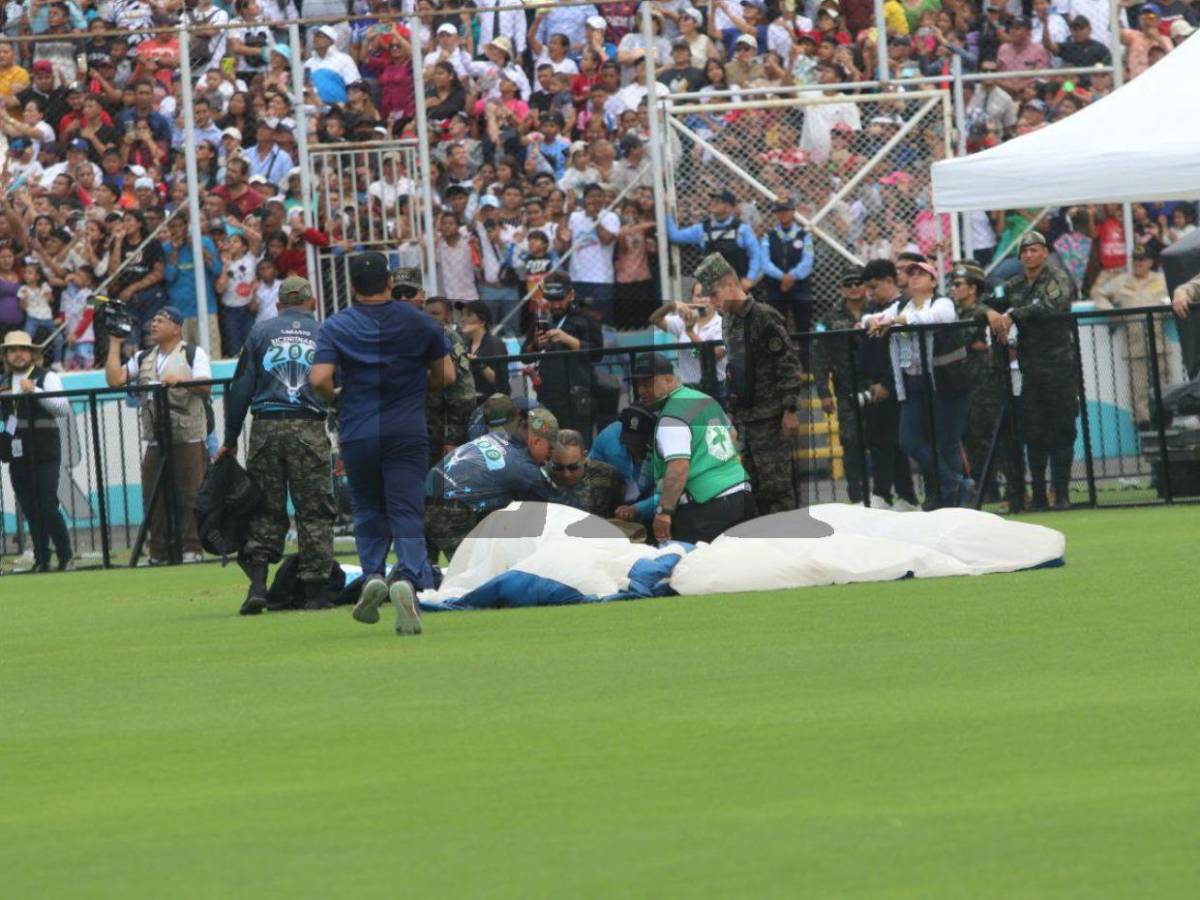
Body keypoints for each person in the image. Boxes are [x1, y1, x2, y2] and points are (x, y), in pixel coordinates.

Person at [310, 252, 455, 636]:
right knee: (406, 507)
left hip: (359, 429)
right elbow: (446, 375)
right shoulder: (420, 322)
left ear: (353, 286)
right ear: (390, 282)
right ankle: (407, 577)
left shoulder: (337, 325)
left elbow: (320, 378)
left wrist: (338, 396)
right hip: (406, 427)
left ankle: (373, 573)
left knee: (368, 507)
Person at [221, 276, 336, 616]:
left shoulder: (260, 332)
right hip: (308, 427)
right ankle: (315, 593)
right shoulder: (325, 332)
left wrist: (229, 439)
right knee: (314, 510)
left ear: (279, 303)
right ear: (311, 302)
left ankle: (258, 586)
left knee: (265, 509)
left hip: (266, 427)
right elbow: (336, 383)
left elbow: (241, 387)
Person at [696, 252, 803, 515]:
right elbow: (734, 367)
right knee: (754, 487)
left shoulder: (764, 316)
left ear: (730, 286)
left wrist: (789, 411)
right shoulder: (729, 321)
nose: (710, 301)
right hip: (746, 417)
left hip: (770, 415)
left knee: (778, 488)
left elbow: (787, 364)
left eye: (713, 294)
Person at [104, 306, 211, 565]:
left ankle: (192, 548)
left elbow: (206, 386)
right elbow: (115, 379)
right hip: (155, 435)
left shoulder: (193, 353)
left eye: (160, 320)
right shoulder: (143, 357)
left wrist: (182, 380)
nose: (153, 324)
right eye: (153, 320)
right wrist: (115, 344)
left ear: (176, 327)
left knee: (190, 493)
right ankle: (159, 551)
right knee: (153, 495)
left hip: (187, 435)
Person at [863, 259, 973, 509]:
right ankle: (954, 482)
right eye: (910, 273)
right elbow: (872, 316)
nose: (914, 277)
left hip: (944, 383)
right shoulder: (901, 305)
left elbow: (935, 317)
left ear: (933, 281)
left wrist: (895, 321)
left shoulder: (942, 302)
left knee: (946, 442)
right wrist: (874, 322)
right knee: (909, 440)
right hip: (912, 384)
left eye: (921, 274)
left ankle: (951, 501)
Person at [987, 231, 1078, 510]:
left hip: (1059, 365)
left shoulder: (1057, 276)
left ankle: (1060, 492)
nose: (1029, 255)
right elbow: (989, 300)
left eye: (1034, 250)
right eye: (1024, 251)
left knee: (1062, 429)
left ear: (1045, 252)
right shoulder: (1013, 284)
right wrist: (990, 313)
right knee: (1034, 431)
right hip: (1030, 367)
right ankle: (1038, 493)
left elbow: (1052, 304)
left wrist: (1013, 314)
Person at [634, 351, 756, 545]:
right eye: (638, 383)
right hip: (742, 497)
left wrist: (664, 512)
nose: (641, 390)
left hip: (705, 510)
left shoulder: (672, 417)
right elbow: (732, 436)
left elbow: (678, 467)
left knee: (694, 571)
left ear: (669, 379)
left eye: (648, 383)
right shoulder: (704, 399)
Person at [424, 406, 562, 561]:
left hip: (427, 492)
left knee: (421, 569)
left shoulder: (497, 436)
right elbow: (559, 508)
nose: (550, 456)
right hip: (452, 511)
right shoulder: (523, 468)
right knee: (475, 575)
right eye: (550, 448)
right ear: (536, 441)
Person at [952, 260, 1024, 510]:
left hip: (987, 385)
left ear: (973, 288)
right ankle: (987, 491)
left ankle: (1015, 493)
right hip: (966, 384)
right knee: (974, 441)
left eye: (959, 284)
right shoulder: (955, 312)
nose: (954, 288)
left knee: (998, 439)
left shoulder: (982, 312)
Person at [1, 330, 72, 572]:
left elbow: (62, 408)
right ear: (6, 356)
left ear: (32, 353)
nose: (17, 354)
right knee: (30, 508)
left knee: (47, 505)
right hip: (17, 454)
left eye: (22, 349)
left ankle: (66, 556)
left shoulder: (46, 377)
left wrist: (36, 391)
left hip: (45, 452)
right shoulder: (3, 382)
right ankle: (42, 559)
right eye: (12, 350)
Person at [859, 259, 921, 510]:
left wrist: (887, 383)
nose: (870, 293)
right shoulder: (873, 312)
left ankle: (884, 493)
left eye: (874, 286)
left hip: (898, 385)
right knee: (880, 440)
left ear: (888, 281)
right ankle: (903, 495)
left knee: (894, 442)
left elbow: (904, 351)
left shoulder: (905, 308)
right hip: (877, 384)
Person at [1090, 244, 1170, 427]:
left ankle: (1164, 420)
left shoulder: (1161, 280)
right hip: (1135, 343)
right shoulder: (1121, 281)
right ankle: (1143, 422)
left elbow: (1176, 297)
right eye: (1135, 259)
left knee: (1164, 383)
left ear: (1150, 262)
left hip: (1158, 341)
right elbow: (1097, 292)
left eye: (1142, 260)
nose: (1138, 263)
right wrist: (1111, 311)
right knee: (1139, 386)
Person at [812, 269, 870, 504]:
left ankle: (885, 493)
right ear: (841, 289)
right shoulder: (828, 319)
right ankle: (857, 496)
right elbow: (820, 357)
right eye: (849, 284)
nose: (854, 287)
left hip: (876, 388)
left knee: (882, 440)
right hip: (846, 389)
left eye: (859, 283)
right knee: (850, 441)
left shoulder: (879, 310)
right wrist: (824, 393)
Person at [526, 271, 597, 442]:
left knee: (580, 445)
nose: (556, 305)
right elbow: (525, 356)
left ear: (571, 294)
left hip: (579, 395)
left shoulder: (586, 318)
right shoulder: (541, 319)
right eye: (551, 300)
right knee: (550, 445)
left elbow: (598, 353)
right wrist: (535, 345)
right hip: (548, 395)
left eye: (560, 299)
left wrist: (568, 340)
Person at [667, 191, 762, 291]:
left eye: (718, 201)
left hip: (737, 285)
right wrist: (666, 212)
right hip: (713, 287)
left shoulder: (742, 229)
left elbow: (755, 255)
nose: (713, 203)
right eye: (712, 200)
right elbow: (675, 236)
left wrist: (749, 278)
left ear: (729, 207)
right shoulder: (702, 228)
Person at [589, 402, 659, 530]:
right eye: (628, 440)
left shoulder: (665, 447)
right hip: (611, 501)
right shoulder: (607, 437)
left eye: (638, 443)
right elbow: (588, 475)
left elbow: (668, 493)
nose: (632, 447)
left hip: (649, 504)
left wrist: (638, 508)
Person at [759, 197, 815, 342]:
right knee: (776, 328)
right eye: (779, 211)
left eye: (786, 210)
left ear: (793, 212)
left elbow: (808, 260)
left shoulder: (805, 236)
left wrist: (791, 276)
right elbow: (764, 262)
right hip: (775, 287)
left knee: (804, 327)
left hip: (800, 287)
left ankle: (805, 359)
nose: (783, 213)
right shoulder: (767, 237)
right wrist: (781, 277)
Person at [548, 428, 629, 528]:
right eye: (558, 467)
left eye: (573, 467)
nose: (566, 474)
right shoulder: (542, 477)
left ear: (584, 456)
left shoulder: (607, 475)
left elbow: (619, 514)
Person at [458, 300, 510, 403]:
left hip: (492, 403)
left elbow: (501, 382)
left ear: (482, 321)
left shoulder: (495, 344)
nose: (463, 319)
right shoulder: (464, 345)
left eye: (468, 315)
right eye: (462, 315)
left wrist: (480, 364)